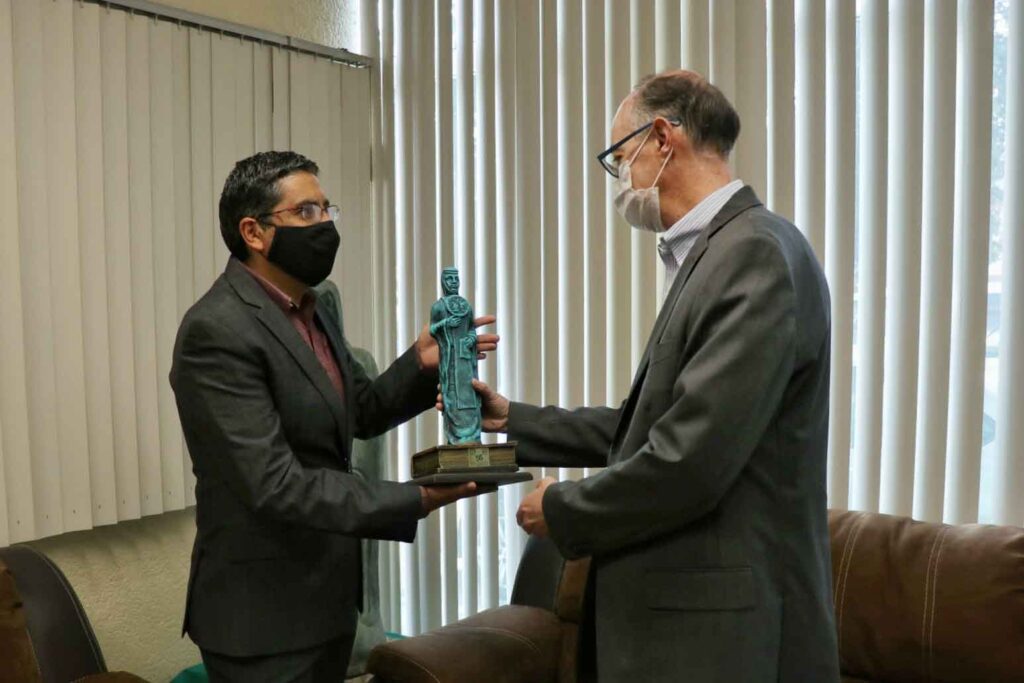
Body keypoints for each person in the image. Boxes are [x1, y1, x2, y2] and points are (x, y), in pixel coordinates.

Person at [470, 70, 840, 681]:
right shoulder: (715, 251)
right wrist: (513, 419)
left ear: (663, 139)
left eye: (620, 158)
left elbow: (690, 459)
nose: (620, 179)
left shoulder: (752, 253)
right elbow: (645, 425)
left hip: (720, 643)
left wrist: (561, 509)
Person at [170, 150, 496, 682]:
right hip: (262, 620)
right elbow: (274, 484)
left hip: (326, 605)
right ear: (253, 232)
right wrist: (414, 498)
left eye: (326, 209)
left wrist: (421, 363)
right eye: (305, 212)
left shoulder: (314, 306)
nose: (324, 225)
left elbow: (360, 411)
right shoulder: (217, 331)